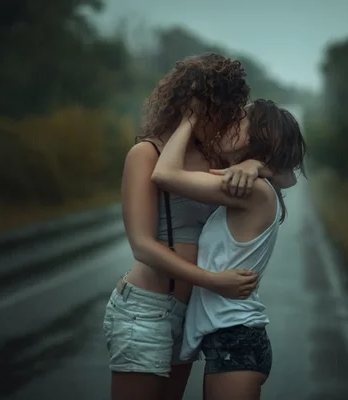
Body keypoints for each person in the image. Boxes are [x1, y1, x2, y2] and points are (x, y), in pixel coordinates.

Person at [102, 53, 295, 400]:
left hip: (187, 313)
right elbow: (142, 246)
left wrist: (255, 164)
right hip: (146, 309)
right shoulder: (146, 155)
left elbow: (288, 175)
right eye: (221, 111)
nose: (228, 120)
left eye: (233, 112)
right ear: (194, 106)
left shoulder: (218, 161)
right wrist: (212, 281)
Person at [152, 98, 307, 400]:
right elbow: (288, 176)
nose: (229, 124)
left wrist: (189, 119)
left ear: (257, 136)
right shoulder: (254, 184)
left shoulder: (253, 190)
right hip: (233, 341)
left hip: (236, 342)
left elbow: (164, 175)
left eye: (240, 120)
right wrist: (257, 164)